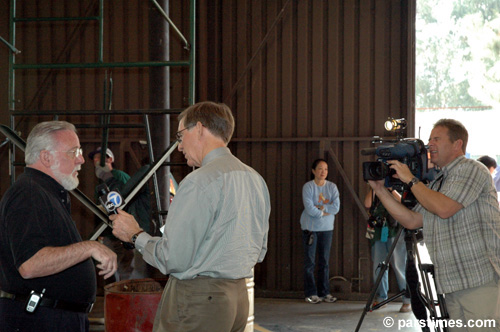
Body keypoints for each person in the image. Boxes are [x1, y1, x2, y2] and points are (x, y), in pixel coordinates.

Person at [110, 101, 271, 332]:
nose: (179, 146)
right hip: (239, 299)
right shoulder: (255, 179)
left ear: (199, 128)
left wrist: (135, 235)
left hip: (201, 301)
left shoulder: (200, 181)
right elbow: (260, 250)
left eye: (180, 135)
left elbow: (173, 258)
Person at [368, 119, 500, 330]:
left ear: (457, 144)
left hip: (478, 281)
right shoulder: (440, 181)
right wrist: (381, 191)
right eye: (429, 139)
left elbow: (444, 209)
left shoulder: (471, 169)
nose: (430, 144)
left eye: (436, 139)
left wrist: (411, 180)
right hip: (452, 284)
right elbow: (412, 220)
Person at [0, 121, 117, 332]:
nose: (81, 159)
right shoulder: (29, 194)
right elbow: (30, 265)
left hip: (54, 318)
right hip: (40, 320)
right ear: (46, 157)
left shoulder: (48, 193)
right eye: (74, 152)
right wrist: (89, 247)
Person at [89, 146, 152, 281]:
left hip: (122, 233)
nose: (96, 161)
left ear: (110, 159)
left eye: (100, 158)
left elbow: (122, 199)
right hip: (110, 233)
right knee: (111, 269)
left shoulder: (119, 176)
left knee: (125, 269)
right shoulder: (100, 185)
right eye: (94, 159)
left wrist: (109, 178)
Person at [300, 158, 340, 304]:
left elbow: (336, 207)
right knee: (310, 262)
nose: (323, 172)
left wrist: (321, 208)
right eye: (320, 168)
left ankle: (324, 293)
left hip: (327, 229)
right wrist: (324, 211)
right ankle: (311, 293)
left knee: (324, 261)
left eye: (326, 169)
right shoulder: (308, 187)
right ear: (313, 171)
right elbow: (309, 209)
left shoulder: (332, 187)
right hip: (310, 229)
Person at [364, 187, 411, 312]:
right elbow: (367, 203)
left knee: (399, 265)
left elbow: (405, 203)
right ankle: (381, 298)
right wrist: (376, 187)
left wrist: (392, 190)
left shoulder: (400, 184)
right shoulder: (376, 186)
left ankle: (407, 300)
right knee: (378, 266)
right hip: (379, 230)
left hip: (395, 230)